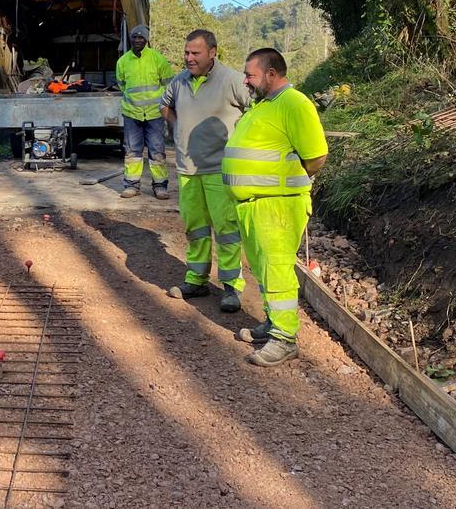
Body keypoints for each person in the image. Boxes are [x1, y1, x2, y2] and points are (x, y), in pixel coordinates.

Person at [223, 48, 327, 367]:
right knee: (264, 268)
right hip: (255, 206)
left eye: (250, 74)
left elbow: (316, 157)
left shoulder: (294, 104)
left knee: (277, 268)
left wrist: (284, 183)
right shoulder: (264, 104)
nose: (245, 80)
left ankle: (285, 339)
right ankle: (273, 323)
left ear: (271, 74)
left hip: (277, 206)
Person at [160, 29, 252, 312]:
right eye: (186, 53)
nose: (188, 58)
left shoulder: (233, 80)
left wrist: (241, 143)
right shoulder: (179, 81)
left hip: (220, 170)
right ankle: (197, 279)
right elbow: (165, 105)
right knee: (195, 228)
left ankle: (231, 287)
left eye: (195, 53)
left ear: (213, 52)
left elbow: (256, 112)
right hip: (187, 169)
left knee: (226, 229)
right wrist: (178, 128)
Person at [115, 24, 174, 199]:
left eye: (141, 37)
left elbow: (168, 84)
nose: (138, 40)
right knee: (132, 151)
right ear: (131, 39)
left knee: (157, 151)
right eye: (134, 37)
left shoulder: (158, 59)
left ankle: (160, 186)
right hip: (132, 113)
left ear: (146, 39)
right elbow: (122, 85)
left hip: (155, 114)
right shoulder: (123, 61)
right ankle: (132, 186)